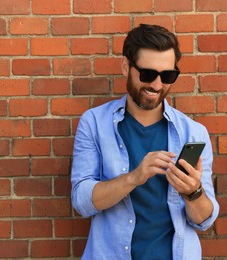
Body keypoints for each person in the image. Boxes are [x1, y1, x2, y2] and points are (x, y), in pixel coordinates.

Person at [71, 24, 219, 260]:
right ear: (126, 67)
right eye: (148, 74)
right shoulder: (94, 123)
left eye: (168, 76)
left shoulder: (194, 133)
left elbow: (203, 220)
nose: (157, 85)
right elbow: (81, 201)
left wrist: (193, 192)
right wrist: (134, 177)